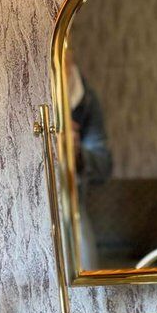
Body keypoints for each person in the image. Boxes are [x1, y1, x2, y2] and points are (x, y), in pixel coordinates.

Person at [65, 53, 112, 268]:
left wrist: (77, 152)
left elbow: (104, 167)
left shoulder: (85, 99)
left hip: (73, 206)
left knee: (88, 277)